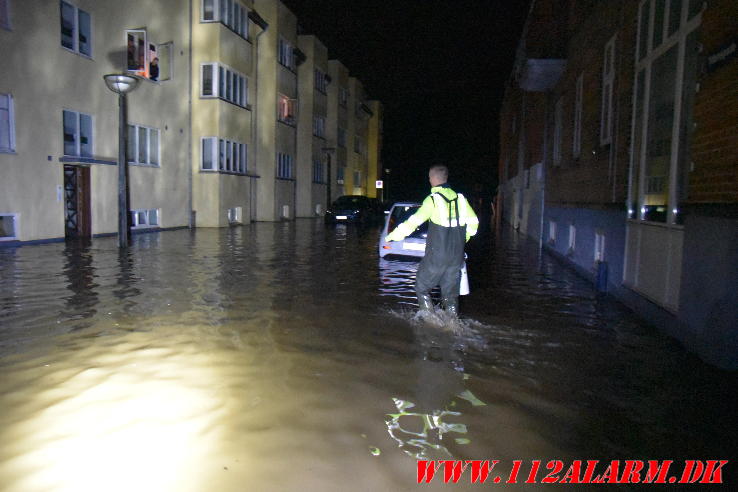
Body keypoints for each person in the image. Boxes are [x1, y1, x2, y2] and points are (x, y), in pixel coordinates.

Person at [385, 165, 478, 315]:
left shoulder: (433, 200)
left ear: (433, 179)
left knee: (421, 287)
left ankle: (430, 321)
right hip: (456, 257)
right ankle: (452, 325)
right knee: (450, 296)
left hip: (437, 257)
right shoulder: (461, 200)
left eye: (429, 178)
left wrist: (392, 237)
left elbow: (413, 222)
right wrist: (463, 239)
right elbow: (474, 224)